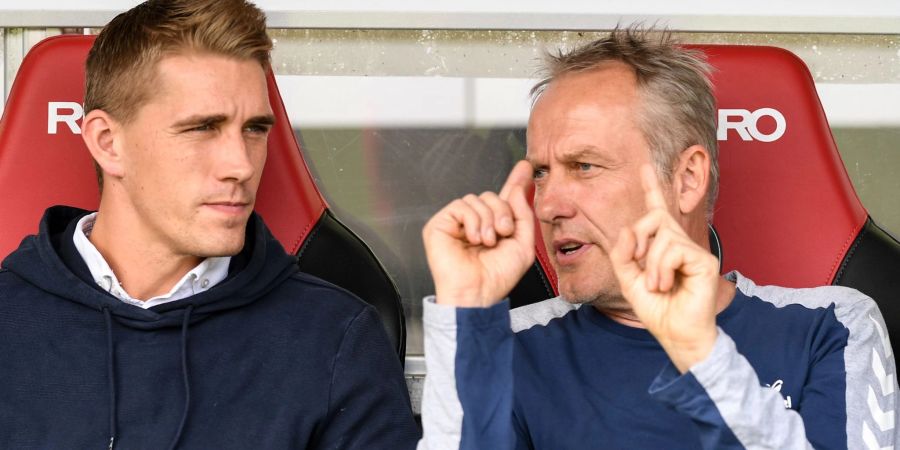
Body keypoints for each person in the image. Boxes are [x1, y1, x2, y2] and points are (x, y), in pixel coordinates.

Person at [418, 28, 898, 449]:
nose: (546, 205)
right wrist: (466, 316)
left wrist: (702, 355)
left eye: (585, 166)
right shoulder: (505, 345)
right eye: (541, 172)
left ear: (687, 179)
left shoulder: (831, 325)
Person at [0, 1, 418, 448]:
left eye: (255, 129)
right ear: (108, 142)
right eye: (202, 128)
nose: (241, 165)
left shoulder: (336, 339)